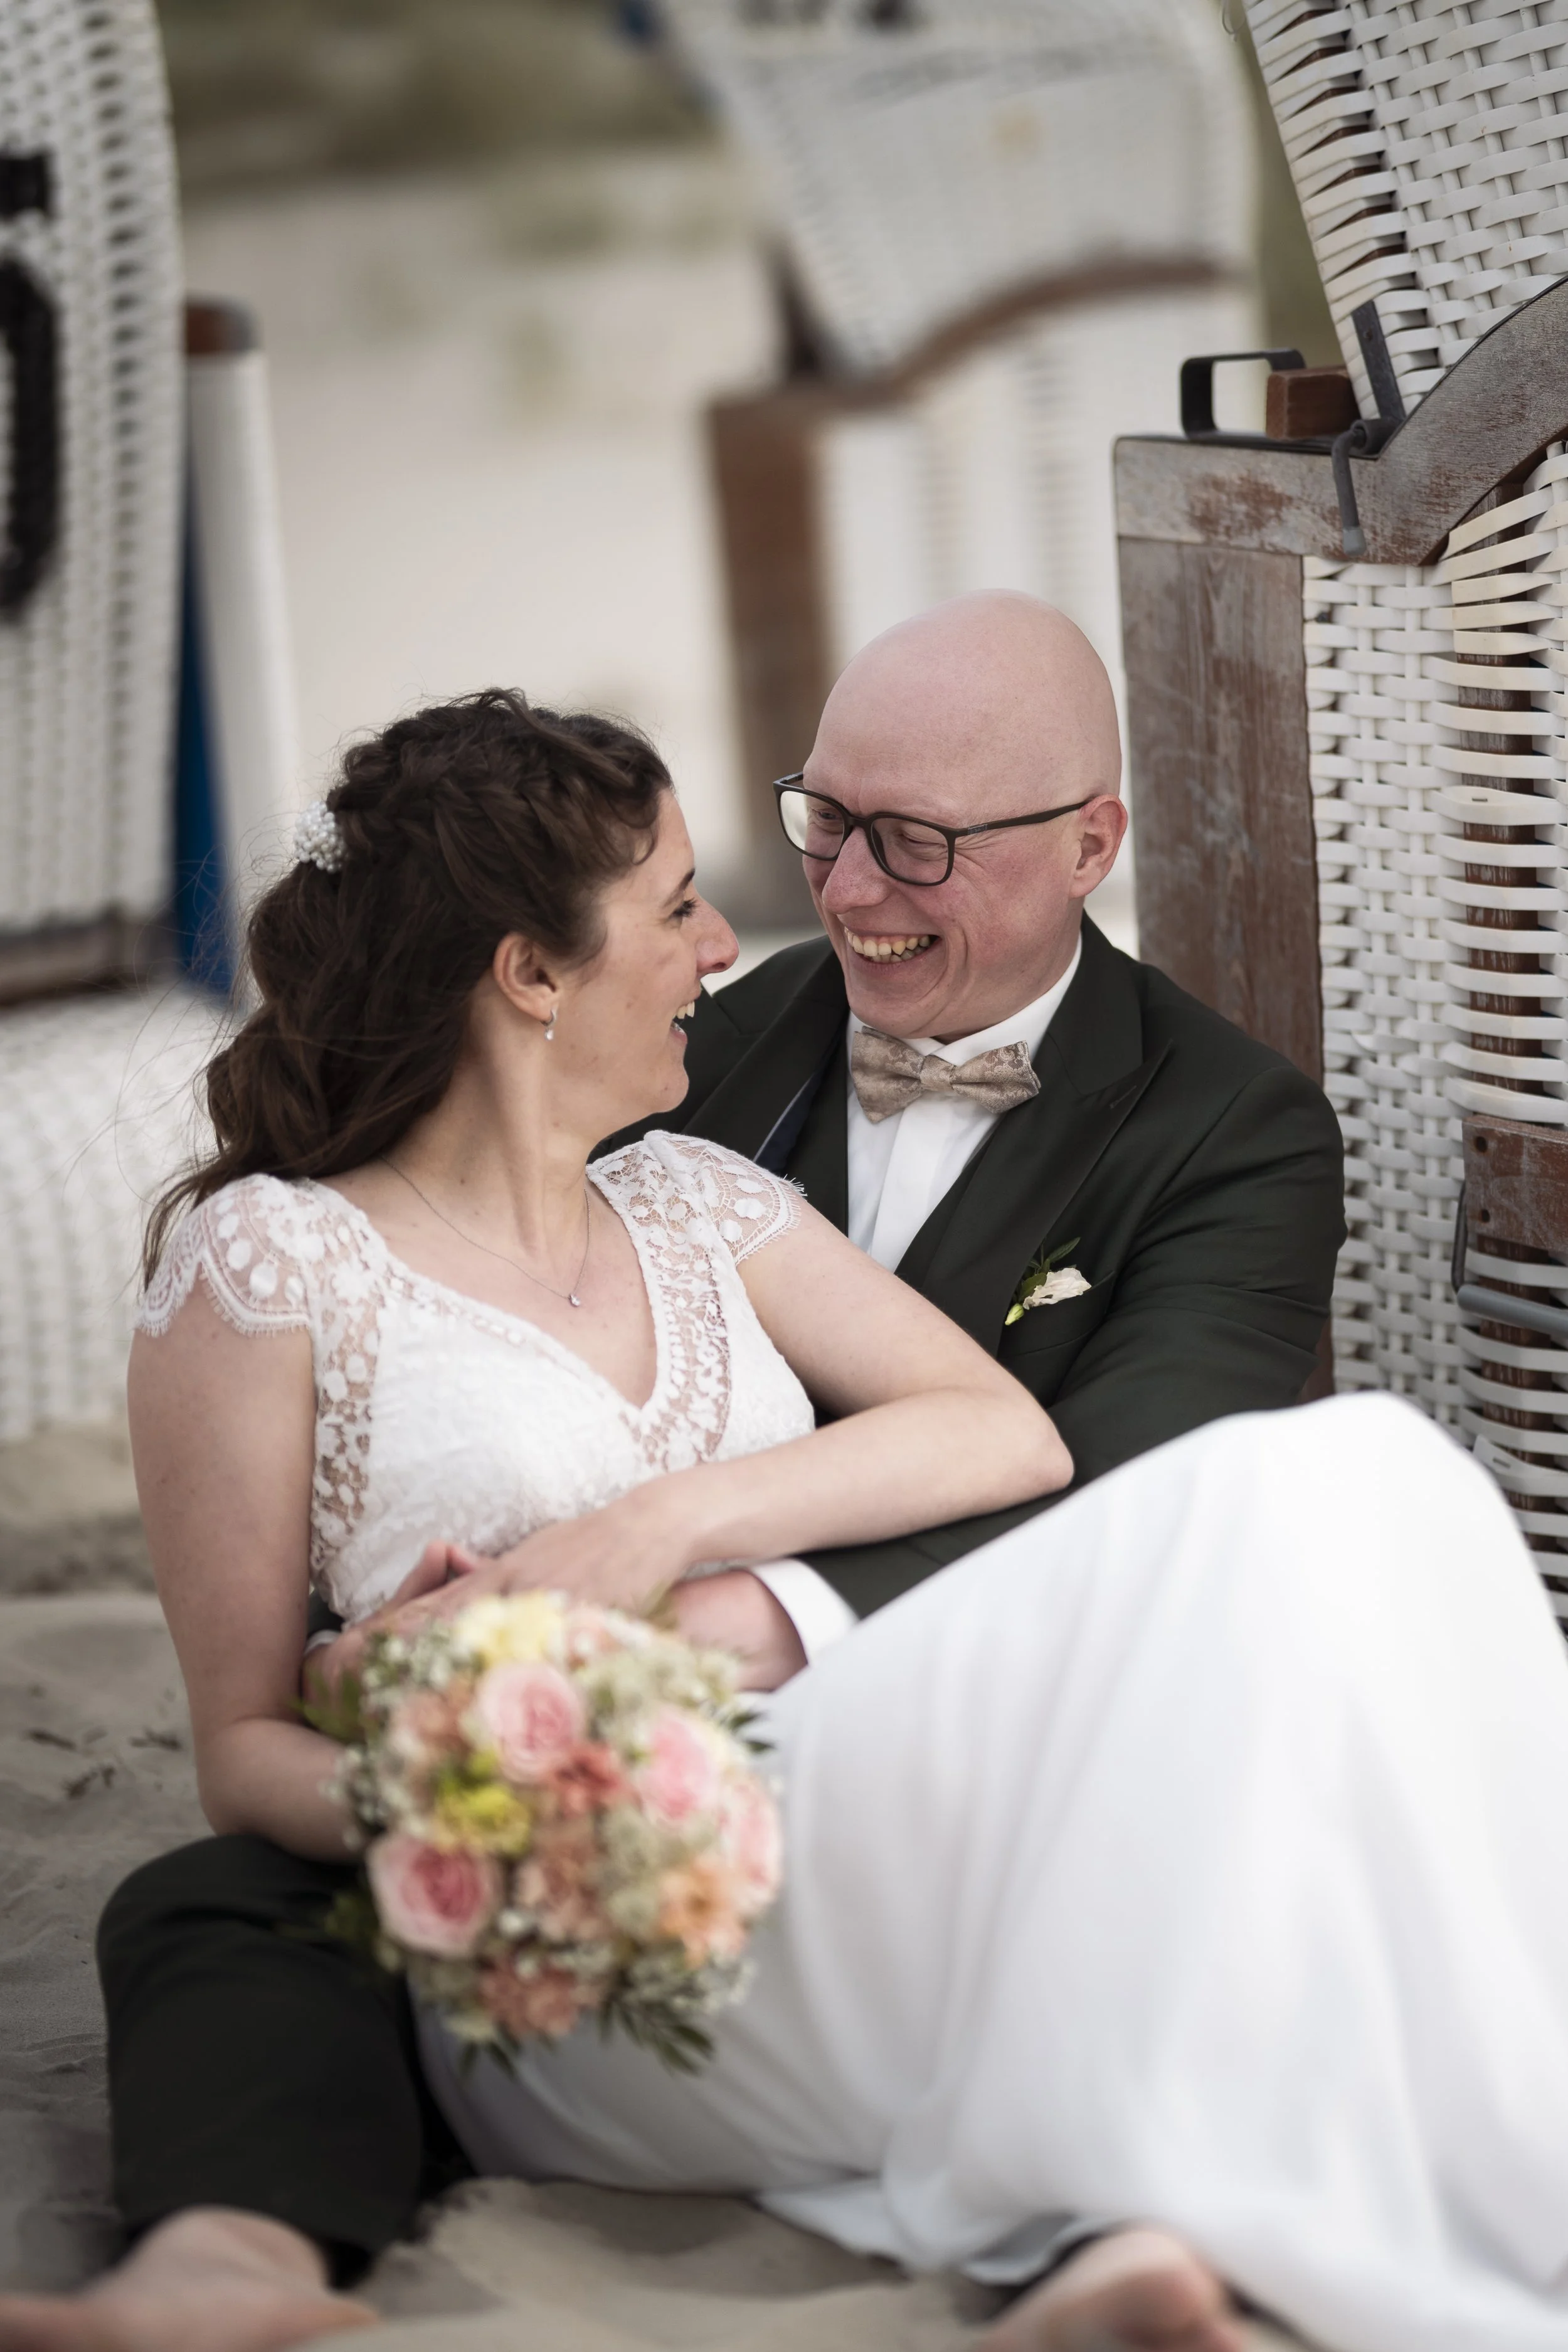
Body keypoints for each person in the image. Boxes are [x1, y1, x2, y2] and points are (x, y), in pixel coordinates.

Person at [8, 690, 1568, 2352]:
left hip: (844, 1793)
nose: (724, 945)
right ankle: (1213, 2224)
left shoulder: (698, 1202)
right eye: (677, 904)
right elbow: (242, 1749)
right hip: (592, 1896)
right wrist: (479, 1786)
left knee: (1372, 1467)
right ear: (530, 973)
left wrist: (653, 1533)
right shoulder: (267, 1263)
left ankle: (1262, 2210)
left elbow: (999, 1431)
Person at [605, 591, 1344, 1670]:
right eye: (827, 819)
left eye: (917, 841)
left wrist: (676, 1636)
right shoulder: (705, 1038)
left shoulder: (1238, 1135)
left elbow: (1118, 1504)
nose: (849, 890)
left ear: (1088, 846)